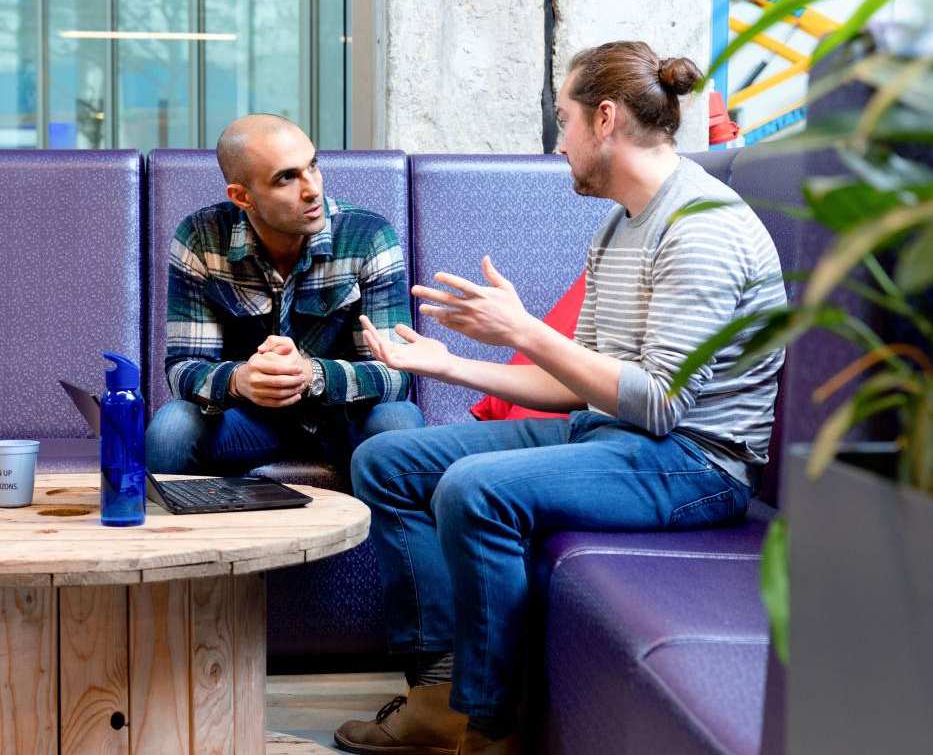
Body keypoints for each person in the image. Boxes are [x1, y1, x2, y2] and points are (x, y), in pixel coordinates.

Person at [336, 42, 787, 755]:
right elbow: (575, 385)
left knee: (473, 492)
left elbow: (658, 406)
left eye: (562, 118)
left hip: (696, 464)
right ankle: (436, 695)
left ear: (603, 119)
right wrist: (452, 365)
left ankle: (487, 728)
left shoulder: (701, 229)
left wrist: (524, 331)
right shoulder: (618, 226)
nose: (558, 142)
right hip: (613, 437)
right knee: (387, 461)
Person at [145, 113, 424, 475]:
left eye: (313, 165)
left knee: (398, 423)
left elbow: (397, 374)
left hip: (345, 420)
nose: (312, 189)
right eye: (286, 178)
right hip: (247, 422)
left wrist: (310, 375)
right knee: (171, 428)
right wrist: (238, 380)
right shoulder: (201, 237)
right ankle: (177, 534)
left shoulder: (368, 236)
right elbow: (184, 367)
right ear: (242, 196)